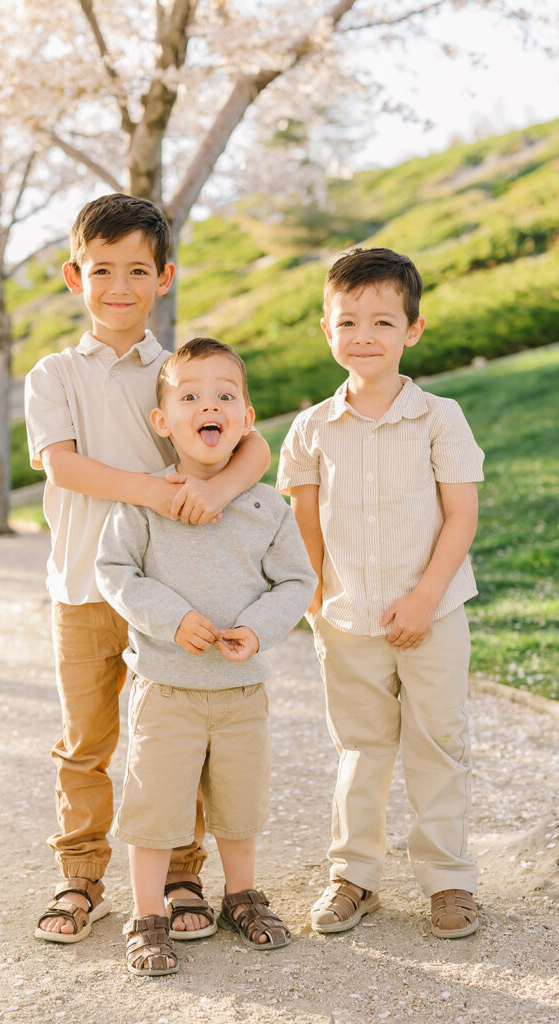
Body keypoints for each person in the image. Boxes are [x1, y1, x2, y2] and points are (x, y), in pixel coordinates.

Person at [24, 194, 270, 944]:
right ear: (75, 277)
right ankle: (81, 876)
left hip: (174, 591)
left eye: (138, 270)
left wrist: (215, 488)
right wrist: (158, 491)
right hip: (83, 585)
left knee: (178, 735)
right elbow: (63, 467)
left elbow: (254, 443)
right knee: (87, 741)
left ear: (164, 277)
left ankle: (181, 873)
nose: (120, 286)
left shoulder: (182, 370)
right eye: (102, 270)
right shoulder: (55, 373)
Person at [278, 247, 484, 939]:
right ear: (325, 329)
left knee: (437, 745)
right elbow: (303, 526)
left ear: (412, 330)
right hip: (344, 621)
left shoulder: (438, 418)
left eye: (381, 321)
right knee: (361, 750)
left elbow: (460, 516)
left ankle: (448, 880)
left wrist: (425, 597)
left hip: (433, 612)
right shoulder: (309, 430)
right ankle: (354, 876)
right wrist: (311, 604)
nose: (363, 335)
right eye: (347, 321)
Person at [95, 337, 317, 976]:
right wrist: (174, 619)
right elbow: (115, 572)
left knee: (239, 802)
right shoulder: (147, 502)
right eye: (189, 396)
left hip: (241, 686)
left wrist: (257, 627)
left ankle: (242, 895)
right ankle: (148, 915)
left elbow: (296, 583)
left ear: (246, 418)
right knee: (156, 804)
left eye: (225, 395)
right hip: (166, 688)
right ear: (163, 422)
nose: (208, 406)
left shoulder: (265, 508)